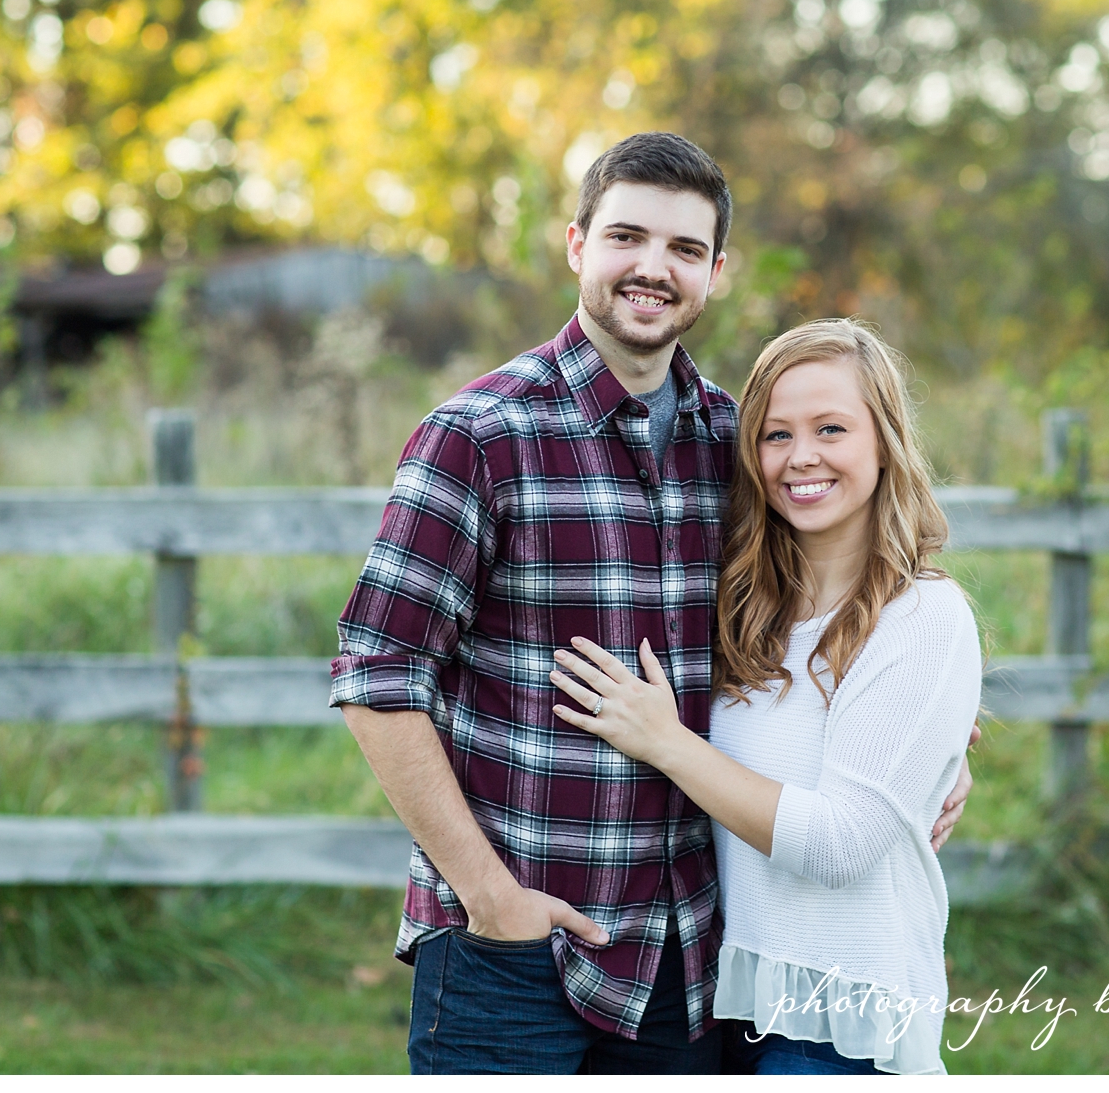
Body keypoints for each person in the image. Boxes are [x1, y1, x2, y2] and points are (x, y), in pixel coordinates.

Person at [329, 132, 973, 1075]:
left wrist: (930, 758)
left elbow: (842, 628)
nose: (651, 269)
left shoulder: (738, 447)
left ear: (715, 272)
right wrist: (488, 894)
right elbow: (376, 677)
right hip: (514, 945)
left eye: (683, 250)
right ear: (576, 245)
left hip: (689, 961)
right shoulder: (478, 437)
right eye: (627, 237)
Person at [551, 318, 983, 1075]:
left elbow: (840, 845)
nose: (801, 457)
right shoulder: (750, 611)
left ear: (884, 440)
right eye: (776, 435)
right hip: (732, 1008)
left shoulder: (921, 615)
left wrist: (666, 742)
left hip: (844, 1028)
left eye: (831, 428)